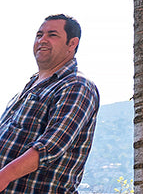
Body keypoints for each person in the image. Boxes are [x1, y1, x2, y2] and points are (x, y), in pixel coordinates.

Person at [0, 15, 100, 194]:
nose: (42, 40)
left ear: (72, 43)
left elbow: (52, 146)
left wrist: (4, 176)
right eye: (39, 35)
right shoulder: (29, 86)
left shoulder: (76, 86)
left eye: (52, 35)